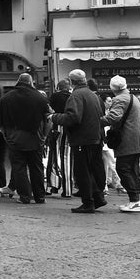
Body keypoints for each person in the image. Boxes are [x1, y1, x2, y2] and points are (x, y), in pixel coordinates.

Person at [51, 70, 106, 214]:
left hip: (82, 137)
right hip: (94, 136)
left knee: (82, 171)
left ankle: (88, 202)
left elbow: (73, 118)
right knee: (89, 169)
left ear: (71, 81)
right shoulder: (92, 95)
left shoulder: (76, 95)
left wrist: (54, 117)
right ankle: (97, 197)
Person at [0, 73, 49, 205]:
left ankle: (25, 196)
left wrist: (6, 135)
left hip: (14, 136)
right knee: (37, 167)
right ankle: (40, 197)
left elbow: (0, 122)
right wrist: (44, 135)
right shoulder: (40, 98)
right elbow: (48, 119)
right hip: (35, 137)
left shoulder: (5, 99)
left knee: (19, 167)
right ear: (31, 83)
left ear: (18, 82)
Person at [103, 75, 140, 213]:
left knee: (123, 169)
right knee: (132, 169)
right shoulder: (132, 97)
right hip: (138, 139)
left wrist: (96, 120)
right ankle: (135, 200)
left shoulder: (119, 99)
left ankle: (135, 201)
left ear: (112, 88)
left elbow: (113, 117)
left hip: (128, 140)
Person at [47, 78, 73, 197]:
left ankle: (52, 186)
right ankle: (67, 189)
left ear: (58, 87)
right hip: (69, 129)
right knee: (66, 158)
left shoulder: (54, 97)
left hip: (56, 128)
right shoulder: (72, 97)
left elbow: (49, 112)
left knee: (53, 157)